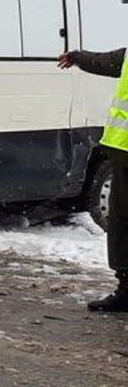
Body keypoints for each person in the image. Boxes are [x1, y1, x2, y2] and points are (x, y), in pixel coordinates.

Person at [59, 46, 128, 311]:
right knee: (121, 221)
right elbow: (105, 61)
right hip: (123, 153)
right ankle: (125, 290)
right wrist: (77, 58)